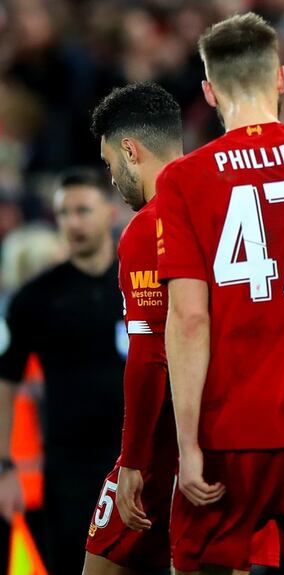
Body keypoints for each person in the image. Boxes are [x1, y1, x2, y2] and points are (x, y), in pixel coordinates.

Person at [156, 13, 284, 573]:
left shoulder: (184, 180)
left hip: (230, 430)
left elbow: (189, 320)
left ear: (209, 90)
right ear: (282, 79)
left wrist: (187, 442)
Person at [0, 168, 125, 575]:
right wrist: (4, 467)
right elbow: (6, 380)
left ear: (109, 213)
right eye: (64, 213)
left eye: (83, 210)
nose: (73, 222)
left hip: (137, 460)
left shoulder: (141, 282)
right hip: (69, 468)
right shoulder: (35, 300)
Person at [82, 82, 182, 575]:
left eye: (109, 165)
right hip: (233, 436)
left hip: (165, 442)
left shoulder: (149, 226)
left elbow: (149, 356)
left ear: (130, 149)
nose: (114, 179)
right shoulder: (218, 207)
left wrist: (133, 462)